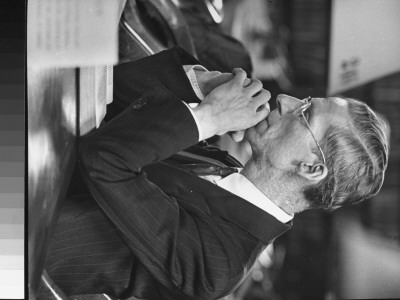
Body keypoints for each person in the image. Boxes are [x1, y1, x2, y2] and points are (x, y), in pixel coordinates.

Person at [44, 47, 388, 300]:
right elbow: (108, 98)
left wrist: (208, 117)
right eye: (306, 99)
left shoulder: (219, 264)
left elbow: (103, 159)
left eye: (305, 113)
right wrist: (200, 86)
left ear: (311, 168)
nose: (285, 99)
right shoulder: (222, 164)